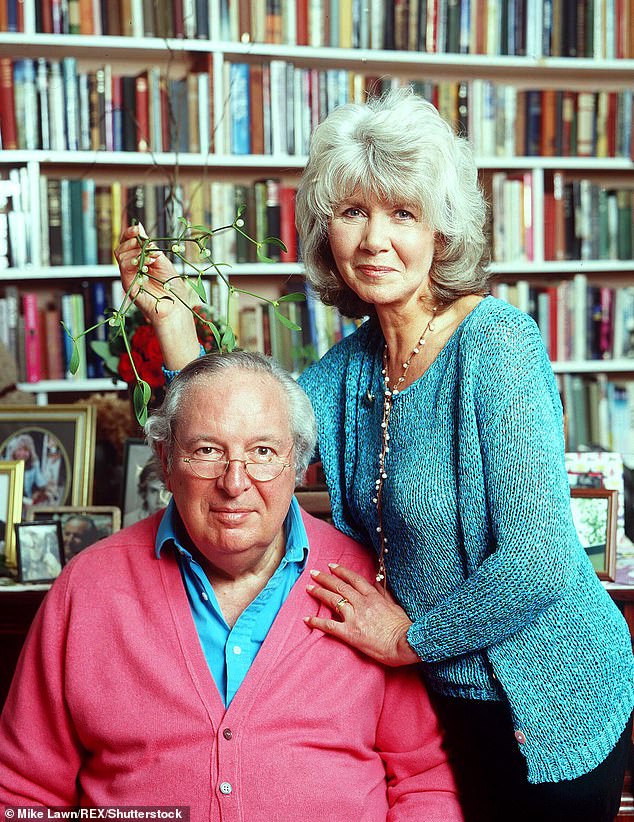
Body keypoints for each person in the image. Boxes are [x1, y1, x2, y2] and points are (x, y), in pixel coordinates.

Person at [113, 87, 634, 822]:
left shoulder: (498, 344)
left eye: (403, 213)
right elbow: (249, 422)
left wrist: (409, 636)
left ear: (442, 231)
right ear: (328, 234)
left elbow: (541, 560)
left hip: (553, 705)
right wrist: (169, 319)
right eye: (353, 213)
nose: (375, 240)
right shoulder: (353, 366)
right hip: (437, 700)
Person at [0, 351, 463, 820]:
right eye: (207, 451)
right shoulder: (88, 589)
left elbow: (424, 780)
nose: (234, 482)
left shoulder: (365, 584)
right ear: (165, 460)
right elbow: (23, 793)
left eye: (262, 452)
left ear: (298, 465)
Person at [123, 456, 170, 527]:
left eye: (165, 491)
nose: (159, 500)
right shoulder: (129, 521)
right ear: (144, 493)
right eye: (154, 491)